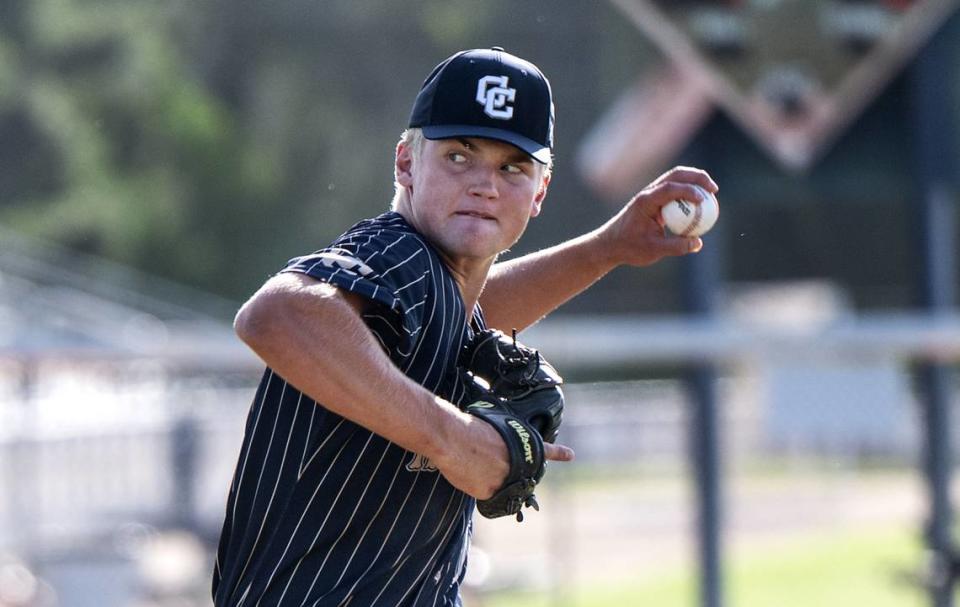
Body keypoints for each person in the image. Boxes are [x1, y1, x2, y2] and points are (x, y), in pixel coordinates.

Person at [212, 47, 717, 606]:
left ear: (540, 192)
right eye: (458, 156)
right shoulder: (398, 252)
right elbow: (276, 314)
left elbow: (458, 322)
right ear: (406, 163)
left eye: (513, 167)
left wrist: (606, 249)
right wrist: (457, 443)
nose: (486, 185)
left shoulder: (432, 291)